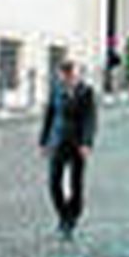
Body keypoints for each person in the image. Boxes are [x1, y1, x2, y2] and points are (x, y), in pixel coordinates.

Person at [39, 59, 97, 239]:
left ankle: (73, 216)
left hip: (77, 143)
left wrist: (87, 143)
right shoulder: (56, 89)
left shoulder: (86, 92)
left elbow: (90, 119)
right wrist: (44, 142)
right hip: (57, 141)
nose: (66, 78)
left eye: (69, 74)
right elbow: (49, 115)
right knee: (54, 183)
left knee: (75, 185)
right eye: (63, 75)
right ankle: (63, 215)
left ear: (75, 75)